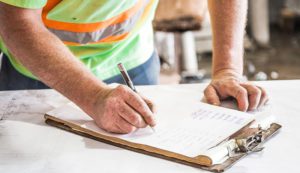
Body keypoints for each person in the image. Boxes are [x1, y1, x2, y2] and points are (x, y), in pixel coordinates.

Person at [0, 0, 268, 134]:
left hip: (133, 61)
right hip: (40, 75)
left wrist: (227, 70)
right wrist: (93, 97)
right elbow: (16, 21)